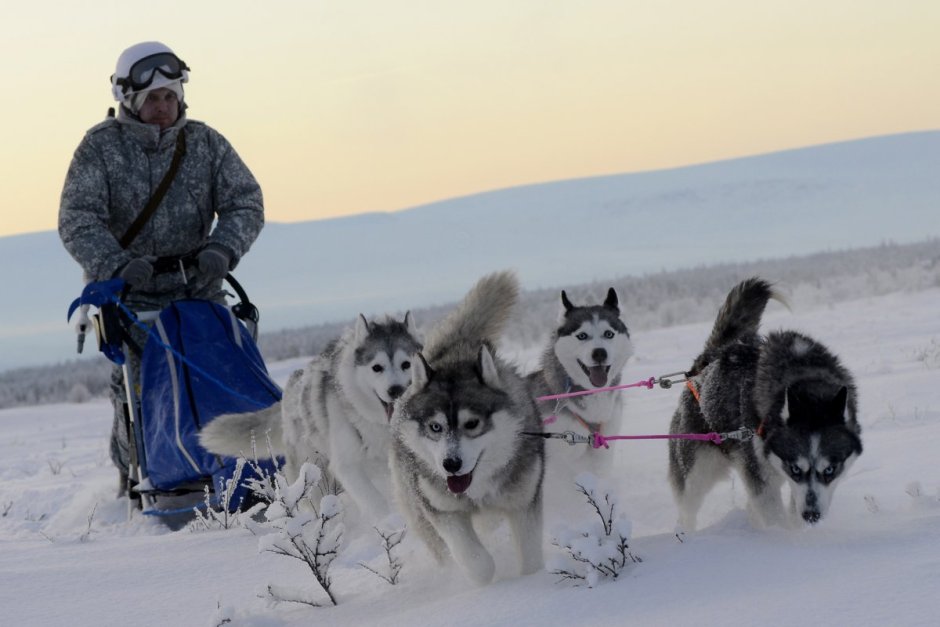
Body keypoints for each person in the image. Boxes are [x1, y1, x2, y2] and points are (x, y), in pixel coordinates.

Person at [58, 41, 265, 496]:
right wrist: (116, 264)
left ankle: (236, 469)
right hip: (133, 300)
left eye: (170, 96)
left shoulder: (206, 144)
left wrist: (223, 249)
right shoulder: (100, 148)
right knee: (139, 392)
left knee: (223, 375)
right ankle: (138, 478)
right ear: (128, 99)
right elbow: (77, 217)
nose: (162, 107)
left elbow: (245, 200)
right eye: (152, 98)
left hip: (200, 292)